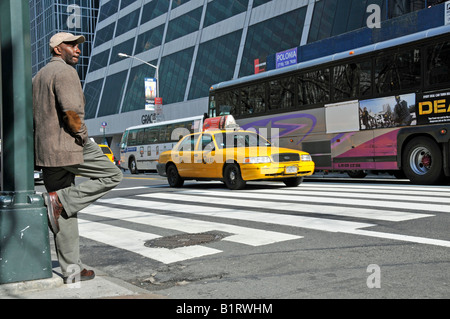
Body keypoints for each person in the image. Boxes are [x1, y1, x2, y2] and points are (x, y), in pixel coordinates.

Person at [33, 32, 123, 284]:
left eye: (78, 45)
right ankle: (58, 198)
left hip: (47, 153)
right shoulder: (65, 73)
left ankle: (72, 270)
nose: (77, 49)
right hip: (69, 146)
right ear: (57, 49)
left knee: (64, 214)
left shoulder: (38, 77)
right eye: (71, 45)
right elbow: (72, 112)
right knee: (114, 174)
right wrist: (82, 135)